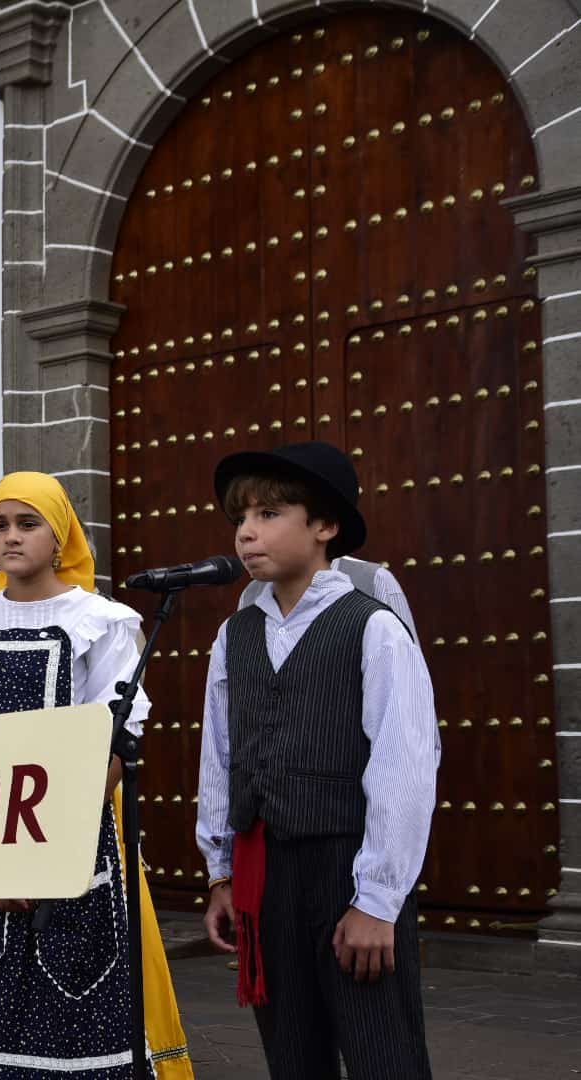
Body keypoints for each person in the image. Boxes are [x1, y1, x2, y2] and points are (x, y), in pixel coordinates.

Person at [0, 472, 193, 1078]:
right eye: (0, 525)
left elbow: (116, 744)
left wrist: (46, 852)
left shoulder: (100, 620)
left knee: (78, 1023)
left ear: (60, 536)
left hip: (73, 848)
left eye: (28, 524)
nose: (11, 537)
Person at [196, 442, 437, 1078]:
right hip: (266, 867)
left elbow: (404, 764)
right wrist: (221, 874)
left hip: (348, 865)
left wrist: (377, 900)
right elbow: (220, 756)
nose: (247, 533)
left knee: (382, 1052)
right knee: (292, 1054)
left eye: (269, 514)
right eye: (240, 518)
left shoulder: (371, 626)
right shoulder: (234, 634)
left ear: (325, 524)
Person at [238, 555, 417, 640]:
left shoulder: (373, 580)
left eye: (269, 514)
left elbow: (407, 685)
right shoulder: (252, 594)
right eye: (241, 520)